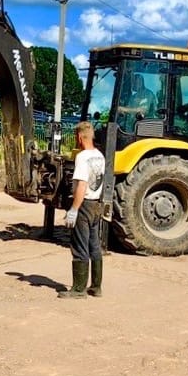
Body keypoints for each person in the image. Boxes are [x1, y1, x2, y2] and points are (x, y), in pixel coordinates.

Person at [59, 120, 106, 298]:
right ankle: (96, 287)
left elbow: (81, 185)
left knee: (79, 246)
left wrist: (73, 209)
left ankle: (78, 290)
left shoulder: (82, 157)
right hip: (96, 205)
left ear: (79, 137)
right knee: (94, 246)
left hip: (84, 204)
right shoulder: (99, 156)